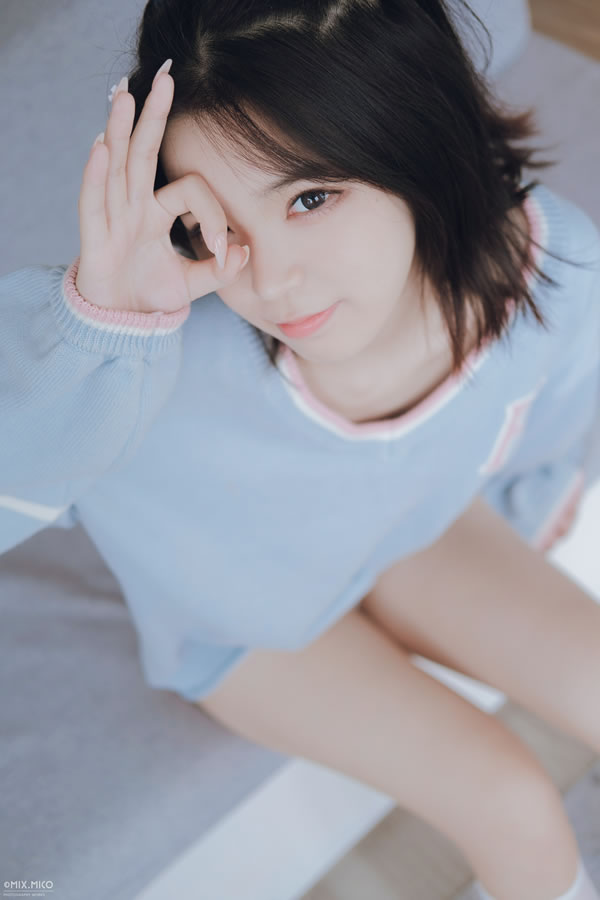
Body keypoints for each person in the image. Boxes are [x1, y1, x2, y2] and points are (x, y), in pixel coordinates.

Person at [1, 1, 600, 898]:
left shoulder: (549, 266)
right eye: (217, 226)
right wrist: (99, 326)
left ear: (413, 134)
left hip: (416, 534)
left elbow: (546, 424)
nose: (273, 280)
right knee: (515, 810)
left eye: (310, 198)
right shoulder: (148, 371)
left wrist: (521, 518)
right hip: (250, 635)